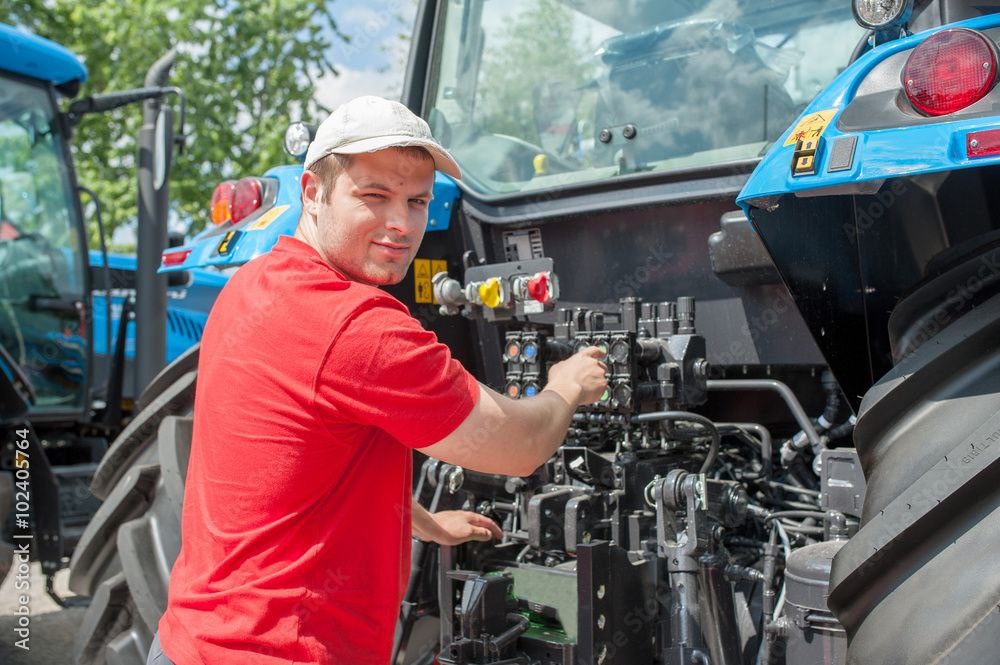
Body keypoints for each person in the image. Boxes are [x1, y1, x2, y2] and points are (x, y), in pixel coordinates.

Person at [149, 95, 607, 665]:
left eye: (417, 201)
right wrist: (566, 386)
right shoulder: (358, 328)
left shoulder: (254, 283)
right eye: (374, 196)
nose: (402, 225)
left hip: (191, 639)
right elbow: (521, 447)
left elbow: (297, 460)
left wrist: (420, 522)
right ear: (312, 192)